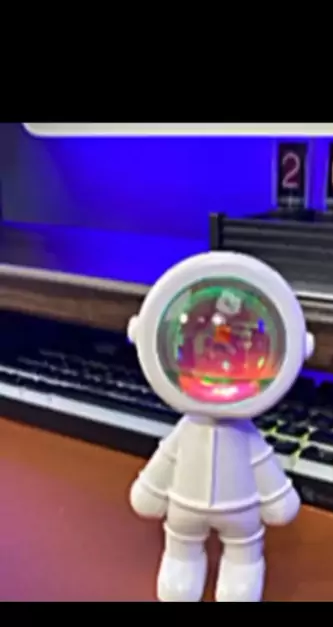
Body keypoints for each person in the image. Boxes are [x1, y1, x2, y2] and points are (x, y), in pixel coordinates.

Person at [127, 251, 315, 602]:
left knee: (243, 548)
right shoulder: (188, 429)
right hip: (184, 516)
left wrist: (278, 499)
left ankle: (244, 567)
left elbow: (261, 463)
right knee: (182, 543)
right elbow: (167, 457)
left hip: (241, 518)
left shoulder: (244, 435)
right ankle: (181, 561)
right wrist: (150, 489)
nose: (220, 354)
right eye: (209, 343)